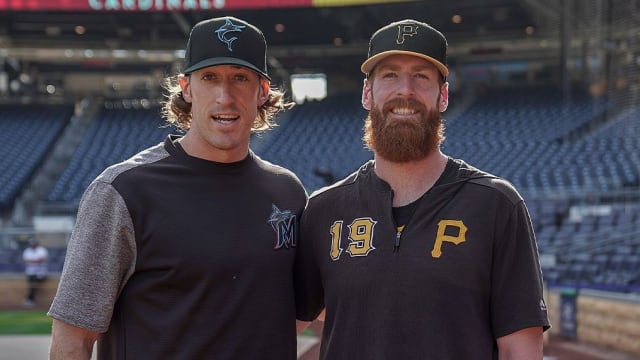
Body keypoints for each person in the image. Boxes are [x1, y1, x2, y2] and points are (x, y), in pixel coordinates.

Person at [48, 16, 307, 360]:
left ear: (262, 91)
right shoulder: (124, 190)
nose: (224, 96)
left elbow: (300, 309)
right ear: (186, 87)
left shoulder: (287, 191)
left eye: (239, 78)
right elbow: (73, 338)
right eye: (209, 78)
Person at [294, 19, 550, 359]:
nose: (406, 90)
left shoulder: (496, 205)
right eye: (389, 75)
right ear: (367, 93)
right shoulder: (324, 209)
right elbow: (284, 323)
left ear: (442, 95)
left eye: (422, 76)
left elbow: (521, 350)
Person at [22, 238, 48, 307]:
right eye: (31, 244)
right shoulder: (27, 251)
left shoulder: (41, 250)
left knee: (34, 283)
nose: (33, 246)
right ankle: (29, 300)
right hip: (30, 272)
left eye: (34, 244)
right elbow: (26, 261)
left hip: (41, 273)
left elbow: (40, 260)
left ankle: (29, 299)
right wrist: (35, 261)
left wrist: (31, 261)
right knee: (32, 285)